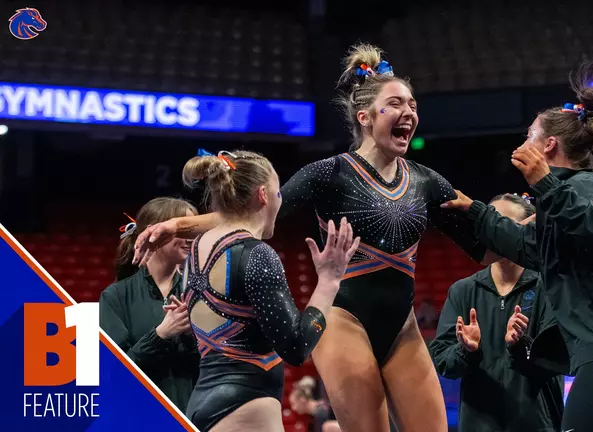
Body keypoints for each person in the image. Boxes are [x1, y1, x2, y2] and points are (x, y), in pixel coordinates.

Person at [131, 44, 490, 431]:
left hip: (402, 328)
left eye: (413, 104)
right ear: (366, 117)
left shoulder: (425, 179)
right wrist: (176, 226)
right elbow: (252, 214)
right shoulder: (329, 173)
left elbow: (482, 245)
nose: (410, 112)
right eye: (397, 103)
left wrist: (533, 234)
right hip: (344, 320)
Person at [443, 64, 593, 432]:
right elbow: (530, 248)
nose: (522, 141)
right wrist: (476, 211)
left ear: (548, 145)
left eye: (530, 134)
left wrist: (546, 184)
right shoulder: (557, 199)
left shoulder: (591, 185)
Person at [178, 150, 359, 432]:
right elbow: (297, 347)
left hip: (201, 401)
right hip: (247, 405)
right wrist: (329, 280)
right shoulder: (256, 254)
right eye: (278, 193)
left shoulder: (194, 252)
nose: (280, 201)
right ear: (263, 195)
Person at [429, 193, 564, 432]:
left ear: (529, 228)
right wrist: (466, 351)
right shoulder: (462, 291)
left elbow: (560, 360)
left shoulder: (550, 286)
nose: (494, 231)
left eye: (502, 223)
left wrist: (521, 345)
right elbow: (444, 364)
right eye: (488, 222)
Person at [100, 197, 201, 413]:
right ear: (153, 234)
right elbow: (113, 374)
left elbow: (215, 371)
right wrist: (161, 335)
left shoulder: (200, 293)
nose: (191, 239)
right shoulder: (115, 297)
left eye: (193, 231)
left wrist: (193, 337)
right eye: (183, 230)